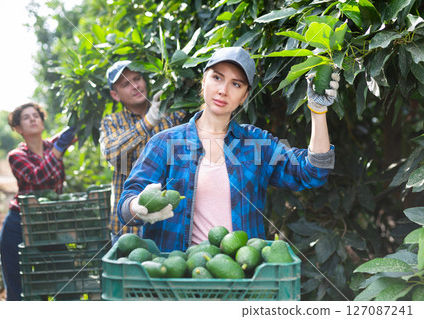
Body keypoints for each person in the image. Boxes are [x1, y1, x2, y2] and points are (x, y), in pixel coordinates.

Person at [117, 47, 339, 252]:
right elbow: (126, 205)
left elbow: (311, 172)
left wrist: (318, 112)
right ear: (203, 81)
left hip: (241, 276)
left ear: (244, 96)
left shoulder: (256, 144)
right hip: (181, 277)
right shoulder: (165, 143)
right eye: (217, 78)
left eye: (236, 84)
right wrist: (138, 206)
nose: (223, 90)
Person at [99, 60, 186, 244]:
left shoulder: (170, 114)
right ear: (115, 95)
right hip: (128, 226)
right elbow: (111, 152)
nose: (135, 86)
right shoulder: (112, 122)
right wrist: (149, 121)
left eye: (137, 78)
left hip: (170, 223)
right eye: (125, 84)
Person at [0, 102, 76, 300]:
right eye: (26, 117)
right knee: (19, 286)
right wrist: (58, 150)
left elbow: (77, 129)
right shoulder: (16, 156)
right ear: (18, 128)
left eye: (36, 115)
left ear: (42, 121)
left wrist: (79, 116)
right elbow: (38, 177)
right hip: (20, 223)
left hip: (49, 224)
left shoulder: (53, 145)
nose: (33, 119)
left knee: (66, 274)